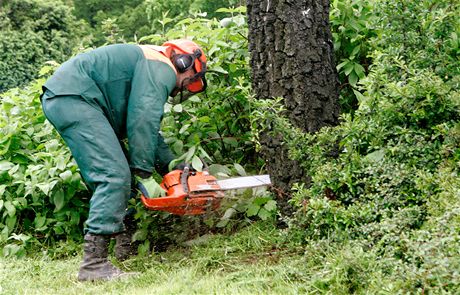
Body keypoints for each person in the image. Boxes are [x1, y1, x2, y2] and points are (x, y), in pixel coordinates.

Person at [40, 39, 207, 281]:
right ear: (185, 62)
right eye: (190, 79)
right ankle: (94, 265)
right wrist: (143, 172)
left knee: (120, 174)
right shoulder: (161, 66)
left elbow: (146, 129)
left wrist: (173, 166)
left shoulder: (151, 61)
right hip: (75, 98)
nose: (183, 87)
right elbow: (143, 120)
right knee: (114, 176)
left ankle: (124, 248)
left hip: (73, 98)